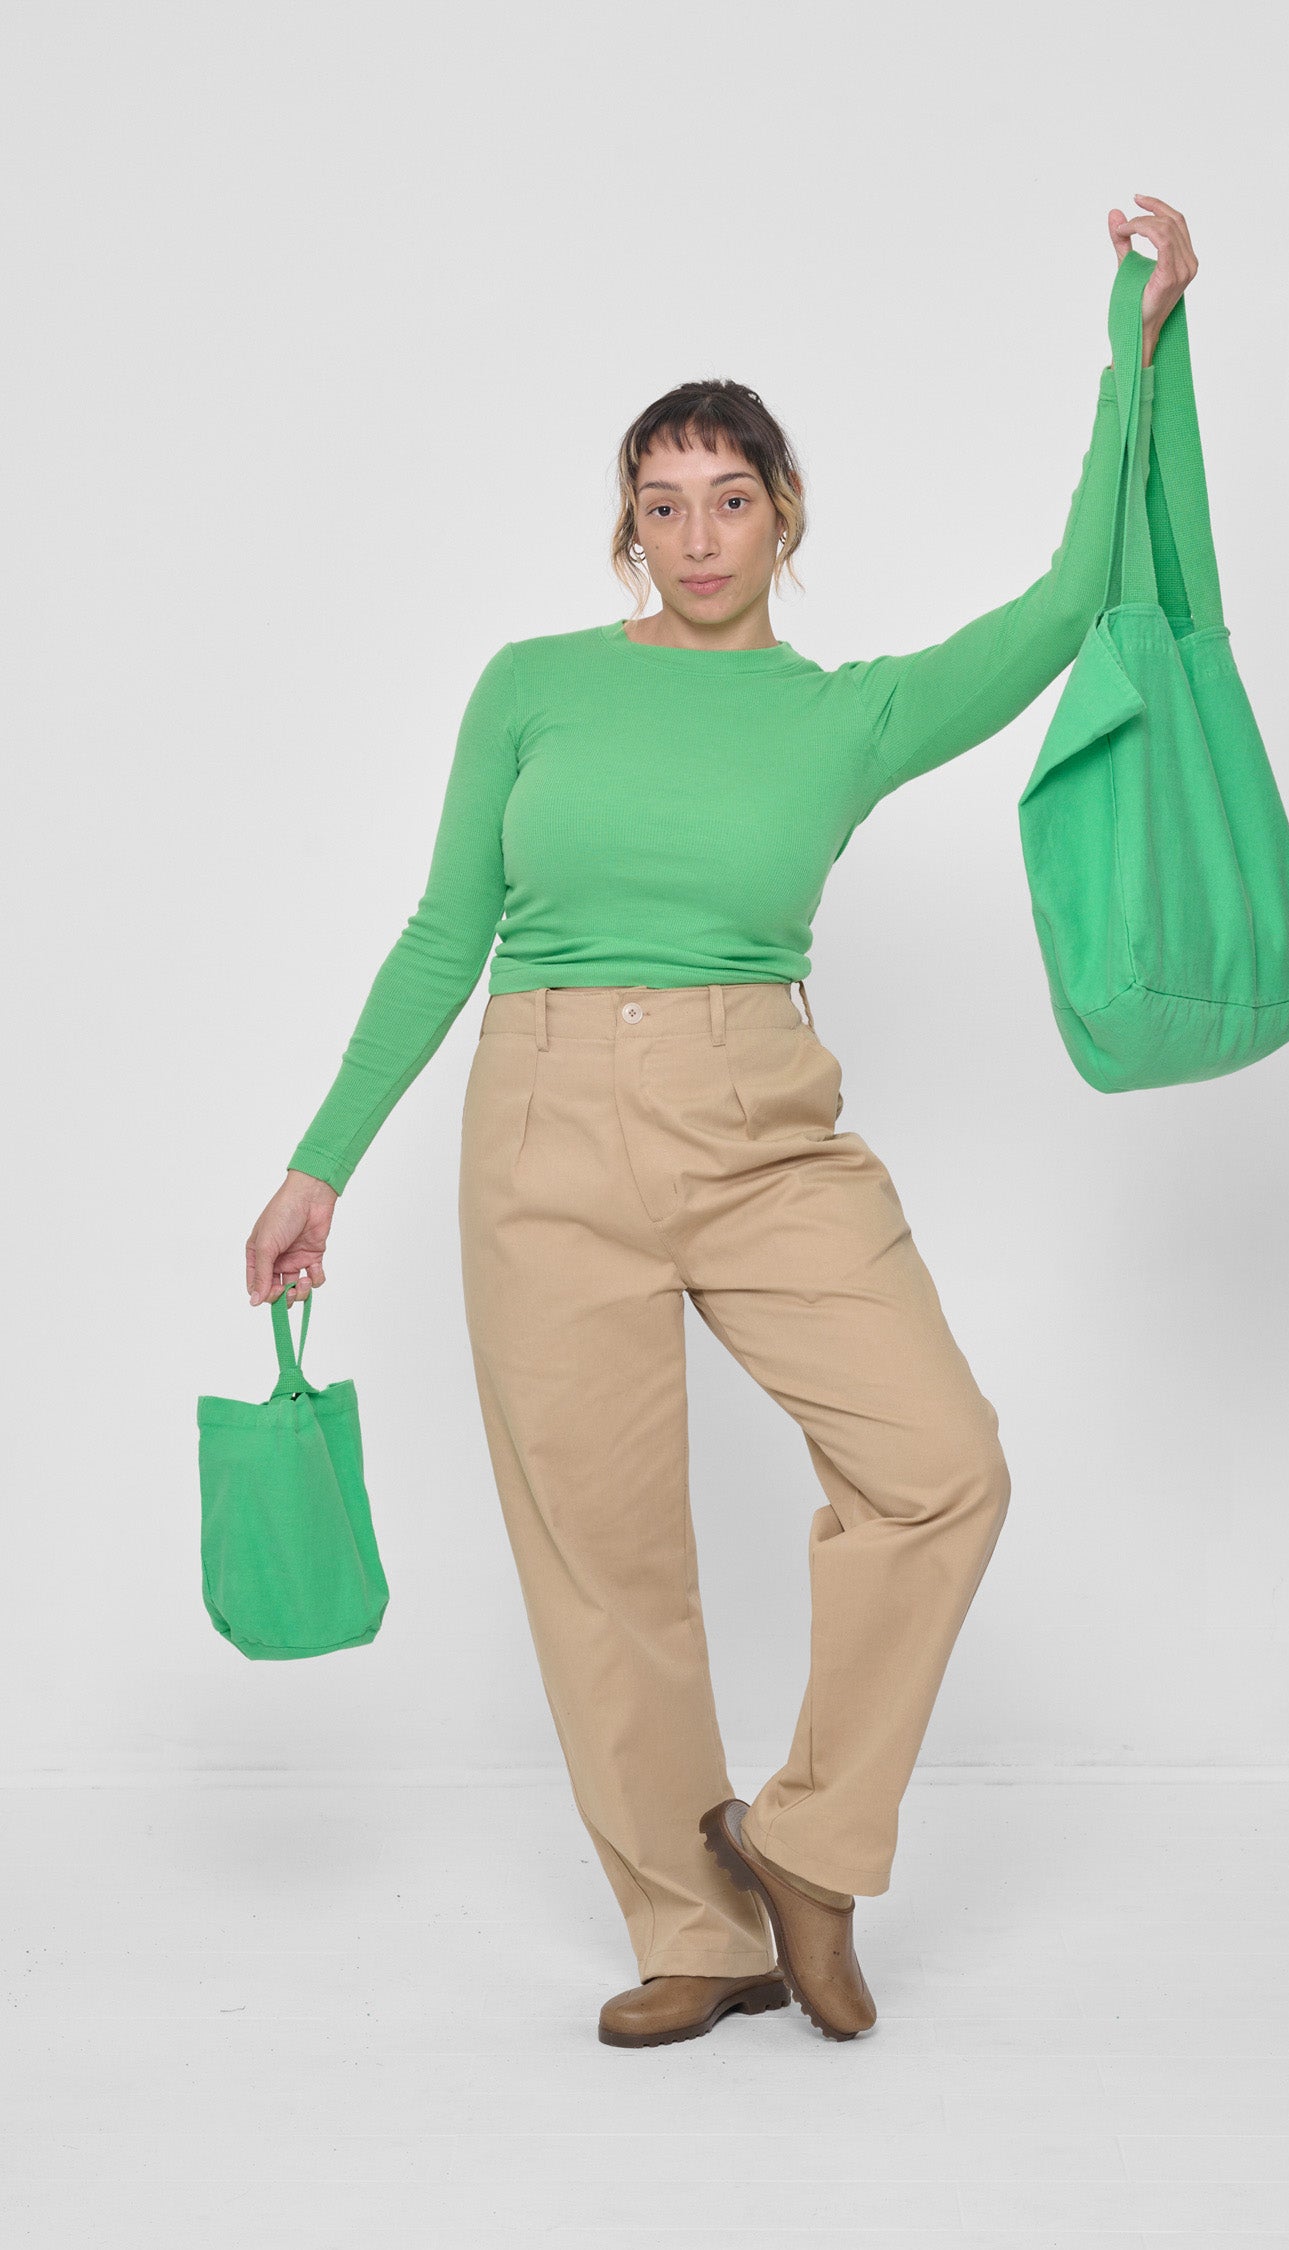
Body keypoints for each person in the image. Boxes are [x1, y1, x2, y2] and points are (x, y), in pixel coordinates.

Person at [246, 198, 1198, 2047]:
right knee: (606, 1559)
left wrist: (1134, 353)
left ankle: (809, 1844)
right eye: (663, 501)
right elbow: (449, 927)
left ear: (784, 517)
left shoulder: (845, 716)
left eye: (731, 498)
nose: (698, 534)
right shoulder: (532, 687)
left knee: (943, 1462)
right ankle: (697, 1929)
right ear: (629, 522)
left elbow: (1076, 593)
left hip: (764, 1123)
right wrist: (322, 1156)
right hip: (542, 1122)